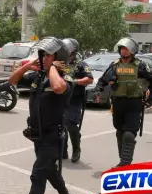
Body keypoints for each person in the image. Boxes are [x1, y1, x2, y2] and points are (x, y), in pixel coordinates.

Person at [7, 37, 77, 194]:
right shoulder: (38, 76)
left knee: (38, 174)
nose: (44, 59)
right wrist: (28, 65)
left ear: (59, 57)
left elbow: (57, 87)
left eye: (48, 55)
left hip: (53, 137)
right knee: (49, 171)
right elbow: (11, 81)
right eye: (42, 55)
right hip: (38, 135)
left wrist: (53, 67)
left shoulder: (66, 78)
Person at [94, 37, 152, 167]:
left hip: (134, 103)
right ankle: (123, 158)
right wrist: (98, 91)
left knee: (129, 134)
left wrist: (149, 97)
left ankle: (125, 163)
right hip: (118, 103)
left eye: (126, 48)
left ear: (132, 50)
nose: (123, 51)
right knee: (120, 131)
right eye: (121, 48)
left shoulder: (140, 65)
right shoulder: (115, 65)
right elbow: (103, 80)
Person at [61, 38, 93, 163]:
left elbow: (89, 79)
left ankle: (76, 149)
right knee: (60, 124)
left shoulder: (81, 64)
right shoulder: (60, 62)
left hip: (75, 99)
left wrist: (75, 82)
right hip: (61, 98)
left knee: (70, 124)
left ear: (73, 51)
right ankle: (63, 150)